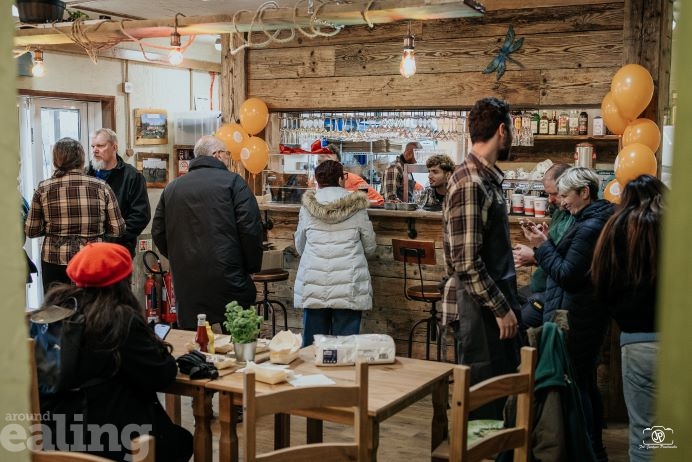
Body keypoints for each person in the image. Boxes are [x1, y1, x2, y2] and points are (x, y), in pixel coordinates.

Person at [37, 242, 193, 462]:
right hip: (114, 440)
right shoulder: (118, 319)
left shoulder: (53, 314)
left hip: (55, 436)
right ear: (122, 282)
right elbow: (162, 375)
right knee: (181, 441)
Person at [524, 167, 613, 461]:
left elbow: (568, 275)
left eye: (565, 195)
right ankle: (590, 449)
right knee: (583, 382)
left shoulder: (590, 226)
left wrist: (542, 247)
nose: (560, 202)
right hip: (580, 313)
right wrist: (550, 242)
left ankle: (587, 450)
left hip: (576, 316)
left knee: (578, 385)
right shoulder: (590, 219)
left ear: (584, 193)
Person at [441, 97, 520, 419]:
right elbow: (466, 262)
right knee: (483, 409)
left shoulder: (485, 178)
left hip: (486, 307)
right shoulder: (471, 182)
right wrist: (501, 309)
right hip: (478, 311)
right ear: (502, 130)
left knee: (499, 400)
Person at [152, 135, 263, 330]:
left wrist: (179, 257)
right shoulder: (234, 184)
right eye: (227, 154)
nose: (228, 158)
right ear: (218, 155)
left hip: (187, 279)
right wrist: (251, 267)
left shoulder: (172, 188)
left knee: (195, 344)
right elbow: (250, 230)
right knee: (239, 339)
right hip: (229, 276)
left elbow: (158, 232)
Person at [591, 174, 666, 462]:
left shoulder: (615, 226)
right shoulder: (675, 226)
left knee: (643, 431)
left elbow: (602, 282)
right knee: (668, 428)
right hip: (676, 342)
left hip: (634, 341)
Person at [25, 137, 125, 292]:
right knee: (91, 309)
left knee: (57, 310)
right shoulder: (102, 187)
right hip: (91, 259)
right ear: (82, 159)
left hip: (54, 259)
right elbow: (118, 229)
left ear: (56, 160)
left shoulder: (43, 188)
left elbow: (31, 230)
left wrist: (53, 228)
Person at [294, 160, 377, 347]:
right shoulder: (357, 206)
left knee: (312, 350)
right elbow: (370, 246)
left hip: (314, 282)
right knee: (346, 349)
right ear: (341, 179)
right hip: (349, 284)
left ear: (317, 181)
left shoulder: (307, 206)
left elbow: (300, 246)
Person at [512, 163, 575, 327]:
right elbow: (556, 249)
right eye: (547, 194)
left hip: (554, 295)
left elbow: (567, 265)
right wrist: (544, 239)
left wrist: (534, 256)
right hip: (542, 286)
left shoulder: (577, 216)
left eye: (554, 194)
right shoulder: (561, 212)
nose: (550, 199)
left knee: (514, 326)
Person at [88, 128, 151, 257]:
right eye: (93, 146)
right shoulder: (86, 174)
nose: (95, 150)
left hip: (119, 250)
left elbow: (140, 216)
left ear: (114, 147)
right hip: (88, 249)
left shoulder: (132, 176)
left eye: (100, 145)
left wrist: (113, 239)